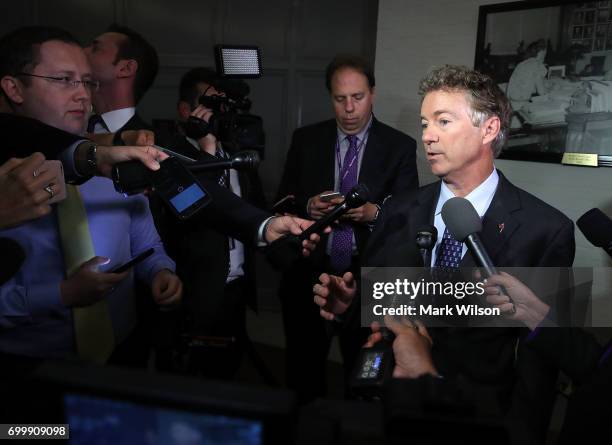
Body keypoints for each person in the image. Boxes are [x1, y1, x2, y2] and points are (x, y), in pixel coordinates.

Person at [314, 65, 575, 442]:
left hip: (478, 420)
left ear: (489, 129)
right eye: (424, 124)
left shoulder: (544, 231)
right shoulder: (396, 210)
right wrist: (350, 305)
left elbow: (539, 368)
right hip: (391, 409)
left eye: (443, 121)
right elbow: (383, 308)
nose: (428, 136)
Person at [0, 26, 181, 367]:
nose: (82, 95)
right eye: (63, 80)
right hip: (25, 369)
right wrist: (62, 295)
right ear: (14, 88)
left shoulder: (119, 162)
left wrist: (161, 272)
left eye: (86, 81)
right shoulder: (7, 183)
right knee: (29, 427)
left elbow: (148, 245)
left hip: (121, 356)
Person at [276, 55, 419, 402]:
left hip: (368, 277)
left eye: (358, 97)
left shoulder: (400, 146)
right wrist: (308, 206)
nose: (349, 109)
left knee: (365, 377)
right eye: (341, 99)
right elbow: (282, 202)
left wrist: (373, 213)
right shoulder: (305, 139)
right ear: (331, 98)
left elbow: (409, 215)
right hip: (309, 274)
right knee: (303, 376)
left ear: (372, 94)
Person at [166, 67, 267, 377]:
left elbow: (255, 212)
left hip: (235, 290)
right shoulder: (168, 156)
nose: (218, 113)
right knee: (192, 381)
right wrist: (207, 148)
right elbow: (191, 207)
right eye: (210, 105)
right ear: (186, 110)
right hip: (194, 294)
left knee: (228, 374)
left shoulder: (237, 155)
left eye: (222, 105)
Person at [507, 39, 548, 111]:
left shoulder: (522, 64)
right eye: (544, 55)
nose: (544, 57)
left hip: (509, 102)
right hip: (520, 105)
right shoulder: (537, 64)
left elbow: (527, 82)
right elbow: (541, 92)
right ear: (540, 53)